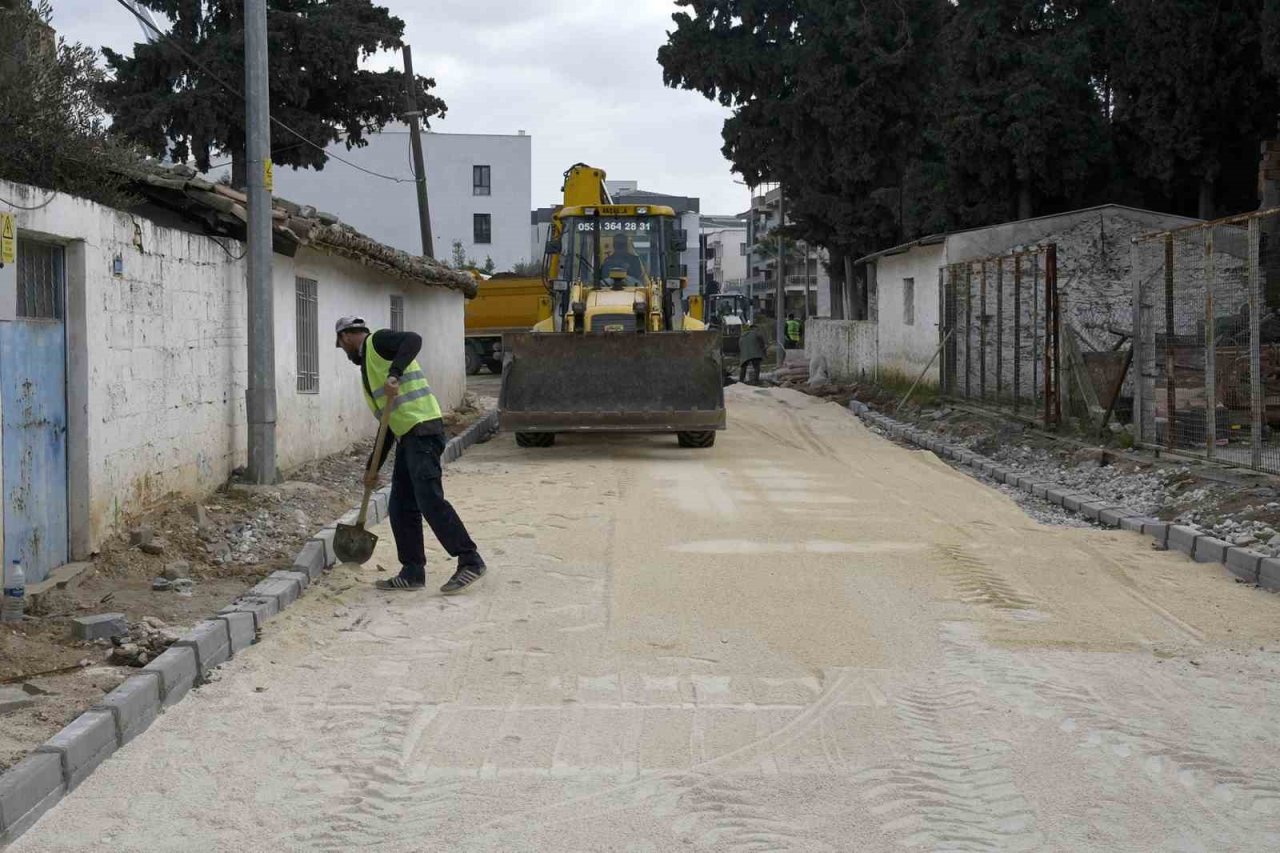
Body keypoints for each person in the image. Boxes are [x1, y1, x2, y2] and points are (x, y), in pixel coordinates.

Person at [335, 316, 486, 594]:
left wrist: (395, 373)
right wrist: (373, 467)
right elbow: (388, 426)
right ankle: (412, 571)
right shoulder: (368, 369)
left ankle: (470, 560)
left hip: (424, 430)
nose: (346, 355)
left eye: (342, 347)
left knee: (429, 499)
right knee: (400, 507)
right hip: (408, 436)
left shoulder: (377, 341)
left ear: (346, 338)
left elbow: (413, 339)